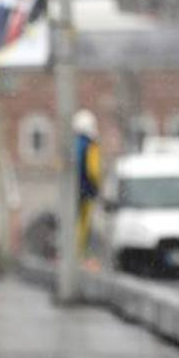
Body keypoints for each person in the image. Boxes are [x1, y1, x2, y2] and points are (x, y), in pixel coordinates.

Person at [74, 109, 102, 258]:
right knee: (83, 224)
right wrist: (95, 188)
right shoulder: (90, 145)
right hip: (85, 190)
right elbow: (93, 170)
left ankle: (73, 254)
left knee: (74, 222)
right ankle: (79, 255)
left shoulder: (73, 143)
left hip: (73, 191)